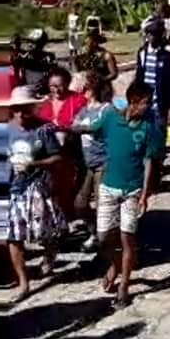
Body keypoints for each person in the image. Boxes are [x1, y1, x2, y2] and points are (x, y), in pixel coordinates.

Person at [86, 80, 163, 307]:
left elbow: (150, 162)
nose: (148, 107)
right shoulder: (111, 117)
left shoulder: (149, 128)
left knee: (127, 237)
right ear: (133, 101)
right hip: (109, 185)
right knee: (102, 238)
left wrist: (145, 195)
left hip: (133, 189)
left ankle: (124, 286)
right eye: (145, 103)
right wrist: (65, 127)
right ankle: (116, 264)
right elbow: (92, 128)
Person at [8, 86, 67, 301]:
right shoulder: (5, 130)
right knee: (13, 237)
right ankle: (24, 283)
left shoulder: (44, 129)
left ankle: (50, 252)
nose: (20, 114)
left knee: (44, 232)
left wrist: (35, 163)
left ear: (32, 108)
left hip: (37, 188)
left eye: (25, 109)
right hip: (12, 190)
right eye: (16, 110)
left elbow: (58, 158)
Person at [36, 66, 87, 220]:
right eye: (52, 86)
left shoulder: (78, 100)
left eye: (60, 85)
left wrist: (70, 131)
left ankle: (69, 215)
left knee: (70, 187)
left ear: (67, 83)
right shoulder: (44, 104)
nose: (56, 90)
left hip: (72, 152)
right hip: (50, 154)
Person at [134, 18, 170, 182]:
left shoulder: (169, 53)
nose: (152, 38)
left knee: (158, 140)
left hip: (161, 105)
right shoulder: (142, 52)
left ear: (161, 35)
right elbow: (138, 77)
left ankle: (157, 172)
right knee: (142, 139)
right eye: (149, 34)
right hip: (144, 104)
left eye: (155, 34)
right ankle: (145, 174)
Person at [72, 73, 113, 251]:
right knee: (80, 203)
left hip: (103, 162)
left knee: (102, 203)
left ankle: (107, 242)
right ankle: (94, 231)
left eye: (86, 89)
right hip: (88, 163)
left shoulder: (106, 109)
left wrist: (80, 128)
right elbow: (74, 124)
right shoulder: (84, 109)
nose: (83, 92)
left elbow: (94, 127)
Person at [20, 29, 56, 94]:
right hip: (27, 90)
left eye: (33, 42)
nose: (30, 45)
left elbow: (54, 76)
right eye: (29, 42)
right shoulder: (24, 57)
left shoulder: (48, 58)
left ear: (41, 44)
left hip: (44, 91)